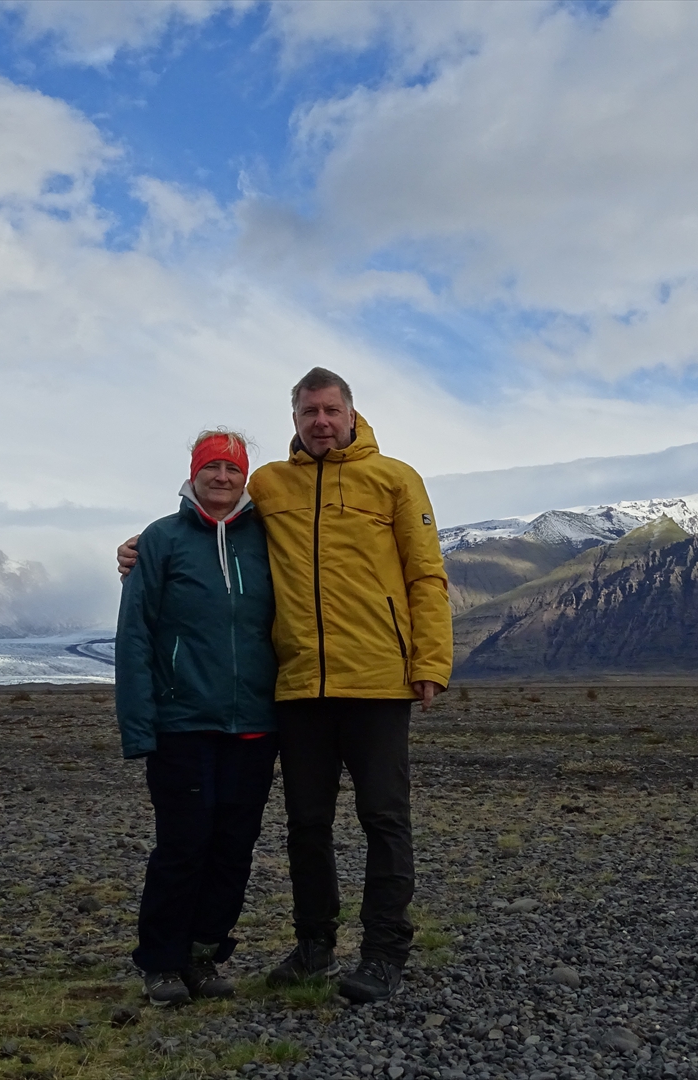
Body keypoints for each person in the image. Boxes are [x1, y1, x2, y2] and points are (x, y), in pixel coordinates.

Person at [120, 368, 452, 1003]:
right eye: (308, 412)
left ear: (352, 413)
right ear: (294, 419)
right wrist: (141, 550)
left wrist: (430, 661)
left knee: (384, 818)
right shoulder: (271, 484)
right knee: (307, 823)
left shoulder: (396, 479)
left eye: (331, 410)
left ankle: (384, 951)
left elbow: (426, 574)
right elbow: (212, 524)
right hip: (299, 686)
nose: (320, 421)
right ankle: (314, 946)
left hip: (378, 679)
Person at [115, 429, 279, 1007]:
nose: (222, 477)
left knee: (234, 844)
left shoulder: (267, 538)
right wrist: (139, 727)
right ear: (193, 473)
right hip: (181, 722)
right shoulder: (161, 540)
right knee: (183, 844)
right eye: (210, 466)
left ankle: (205, 954)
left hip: (254, 723)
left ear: (245, 476)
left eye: (232, 469)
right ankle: (160, 961)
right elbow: (134, 636)